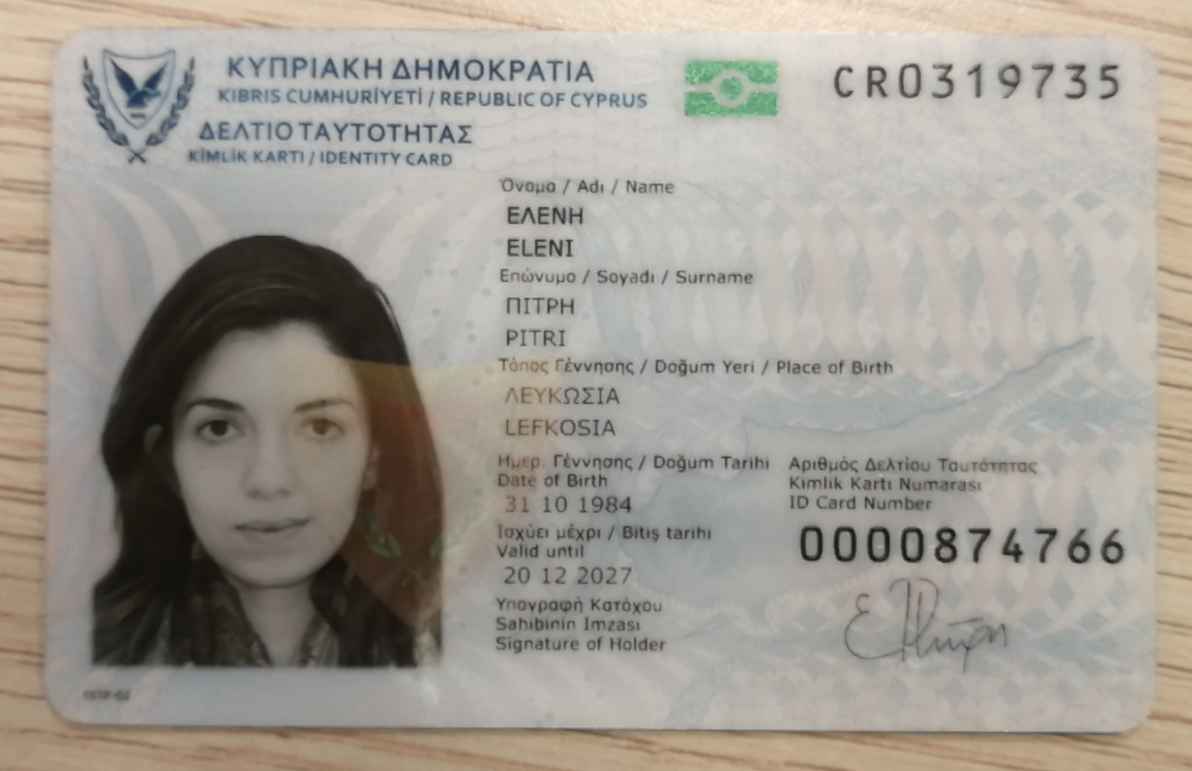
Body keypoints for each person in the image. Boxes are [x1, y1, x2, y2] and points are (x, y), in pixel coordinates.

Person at [92, 235, 442, 667]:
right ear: (166, 461)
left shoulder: (456, 660)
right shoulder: (97, 657)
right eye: (219, 429)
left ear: (376, 455)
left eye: (320, 427)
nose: (269, 480)